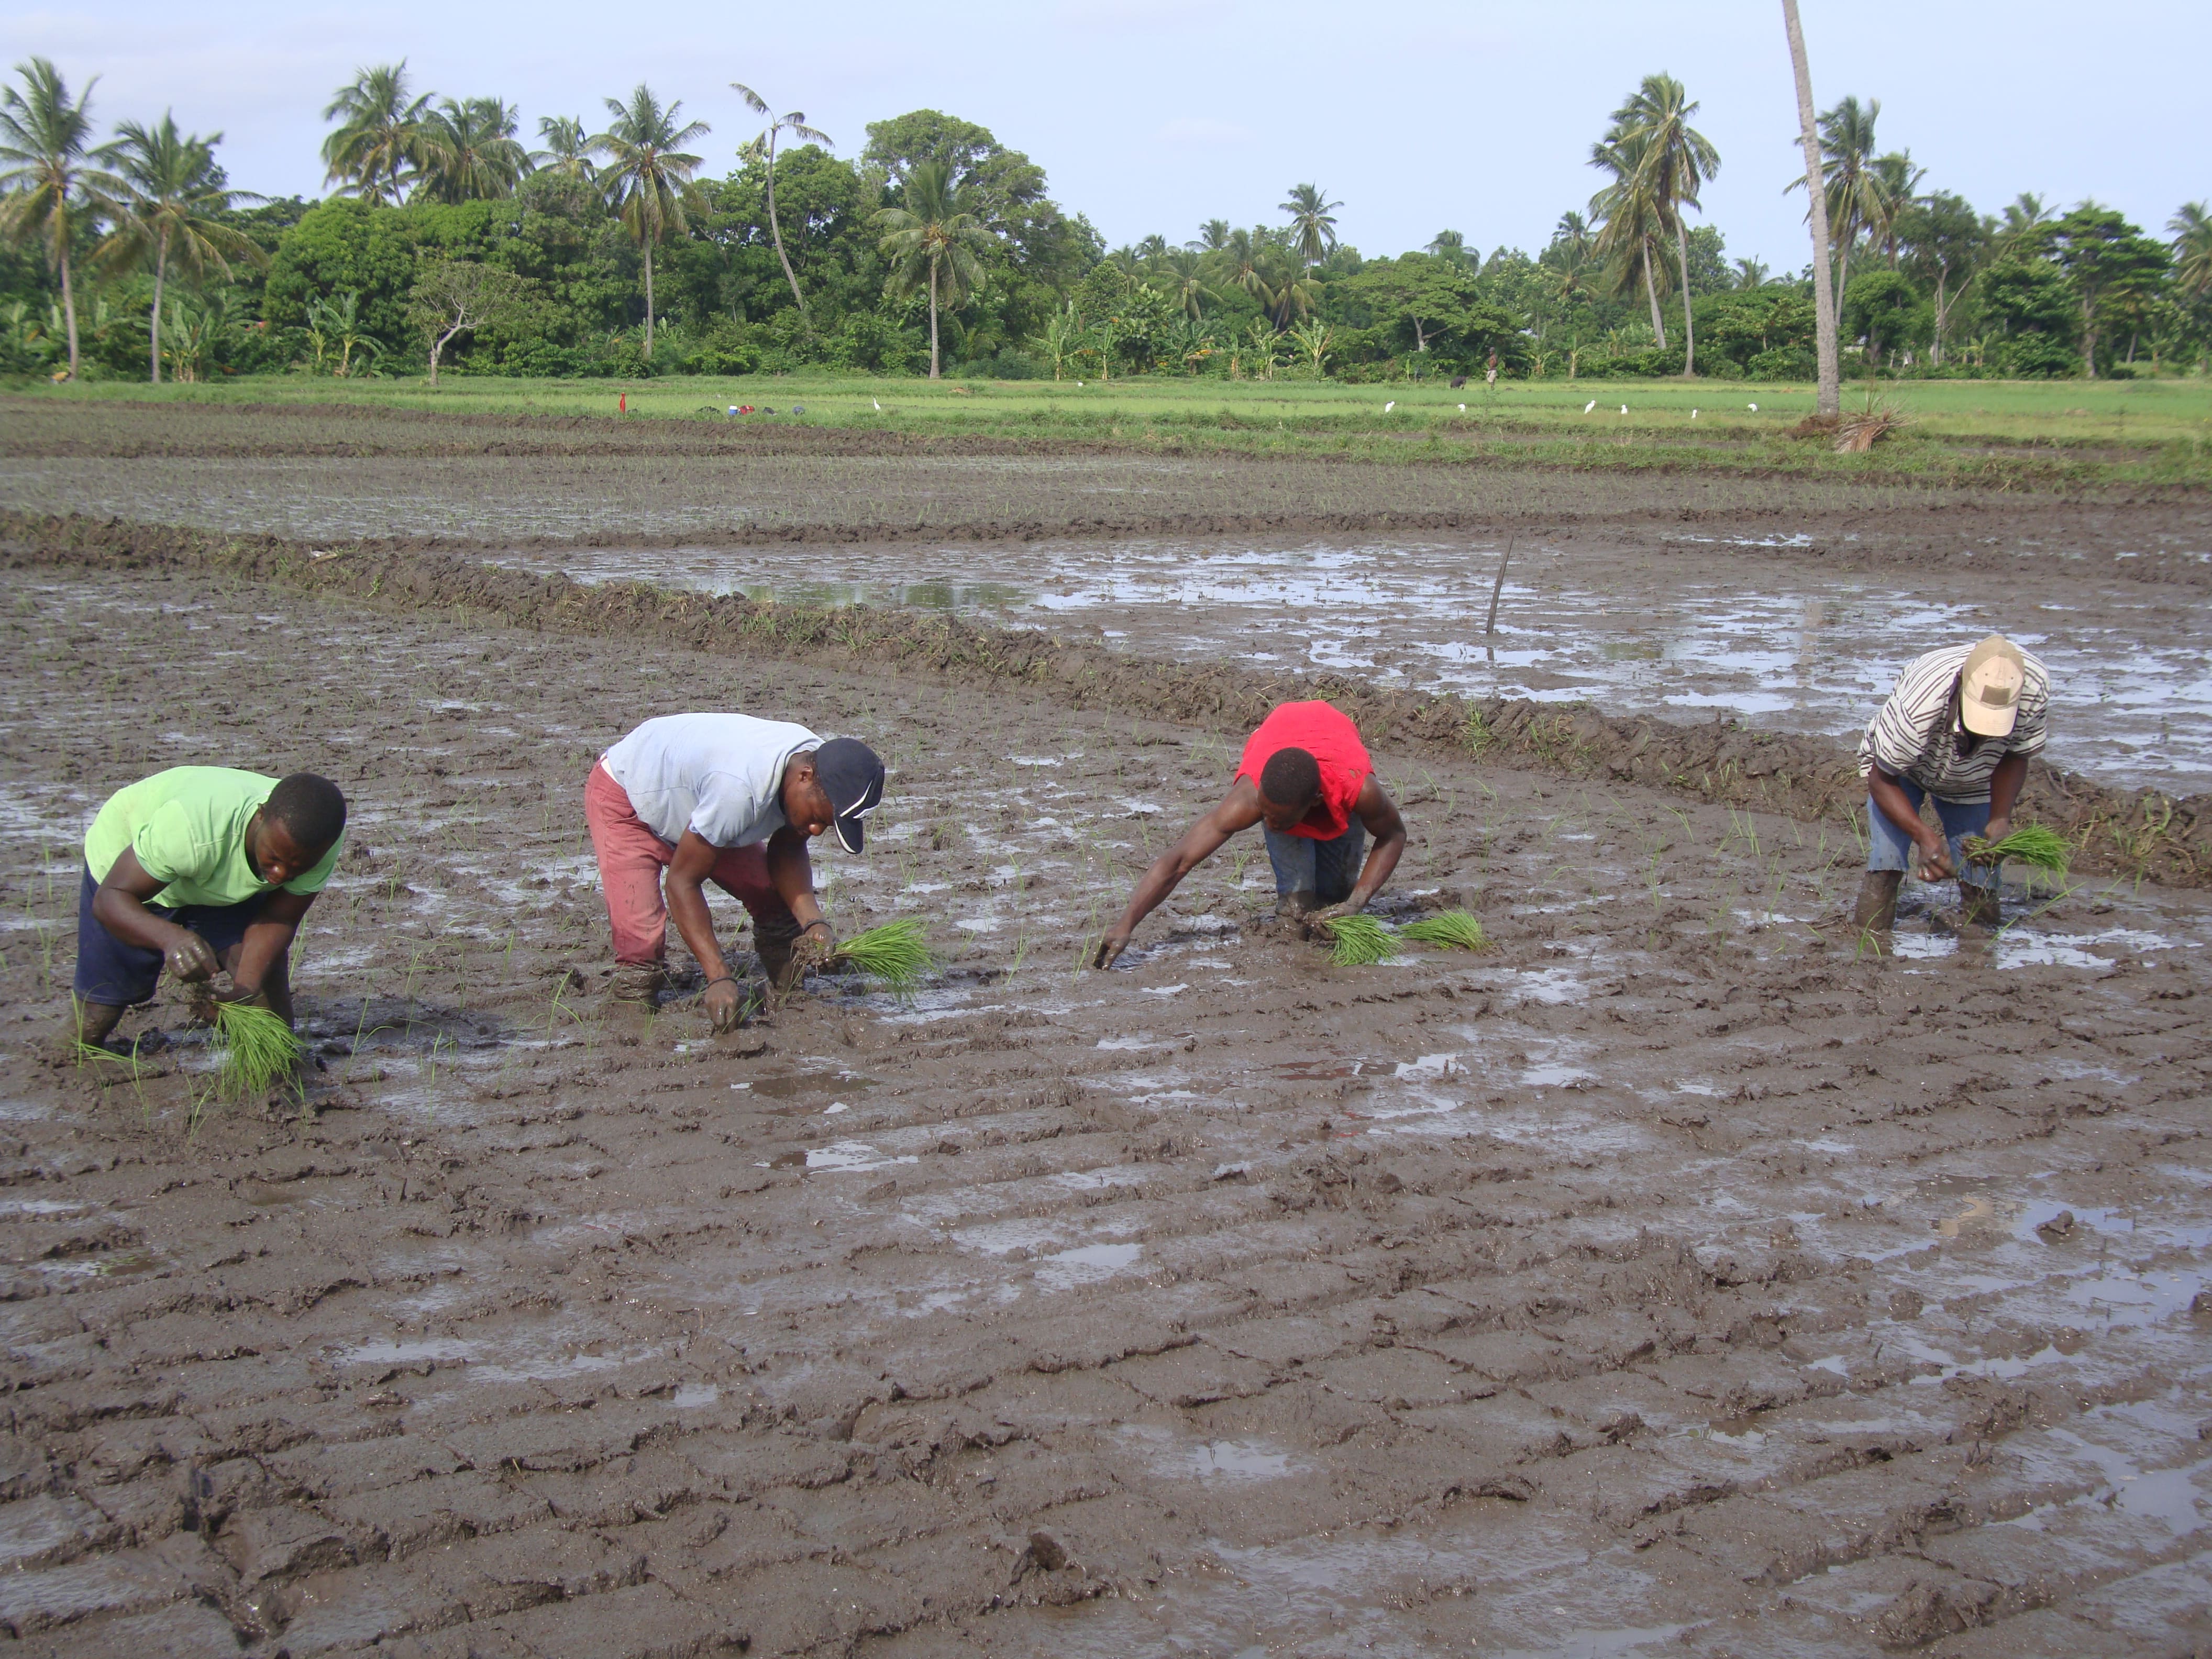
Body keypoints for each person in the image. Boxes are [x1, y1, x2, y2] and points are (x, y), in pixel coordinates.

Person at [585, 712, 885, 1030]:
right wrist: (718, 977)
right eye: (817, 818)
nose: (815, 830)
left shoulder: (822, 766)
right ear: (804, 776)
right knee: (641, 943)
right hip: (629, 797)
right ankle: (629, 1026)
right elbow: (682, 883)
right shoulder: (739, 791)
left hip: (698, 804)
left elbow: (788, 847)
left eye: (825, 823)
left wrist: (814, 923)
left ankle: (789, 996)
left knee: (772, 897)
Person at [1093, 700, 1407, 969]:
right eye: (1264, 814)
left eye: (1277, 819)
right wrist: (1126, 923)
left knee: (1337, 896)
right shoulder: (1250, 799)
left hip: (1334, 746)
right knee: (1296, 906)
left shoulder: (1358, 788)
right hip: (1281, 736)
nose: (1268, 826)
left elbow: (1394, 835)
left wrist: (1355, 904)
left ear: (1314, 803)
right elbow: (1179, 862)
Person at [71, 768, 348, 1050]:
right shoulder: (191, 827)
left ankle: (281, 1065)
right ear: (260, 816)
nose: (279, 874)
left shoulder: (318, 842)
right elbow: (109, 899)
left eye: (298, 869)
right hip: (130, 873)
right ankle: (65, 1059)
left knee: (259, 972)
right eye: (274, 858)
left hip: (215, 871)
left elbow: (279, 917)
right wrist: (171, 939)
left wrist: (245, 990)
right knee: (97, 1017)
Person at [1851, 635, 2049, 932]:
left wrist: (1999, 818)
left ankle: (1978, 952)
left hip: (1977, 775)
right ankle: (1868, 945)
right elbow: (1882, 779)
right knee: (1887, 862)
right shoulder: (1920, 703)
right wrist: (1925, 837)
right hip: (1904, 768)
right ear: (1961, 689)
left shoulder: (2033, 690)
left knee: (1982, 871)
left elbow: (2015, 755)